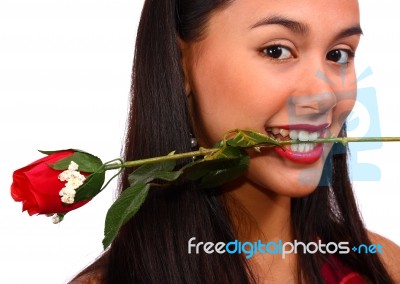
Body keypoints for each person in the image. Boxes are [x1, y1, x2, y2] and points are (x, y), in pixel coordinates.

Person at [71, 0, 400, 283]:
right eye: (277, 51)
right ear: (180, 63)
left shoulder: (384, 267)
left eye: (339, 55)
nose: (326, 95)